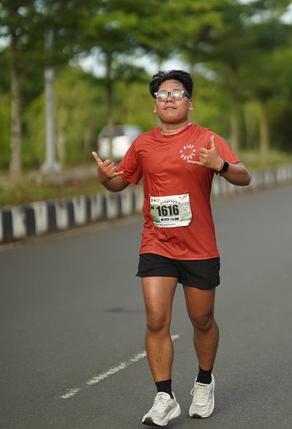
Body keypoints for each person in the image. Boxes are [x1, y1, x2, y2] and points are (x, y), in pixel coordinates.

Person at [92, 69, 251, 427]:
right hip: (157, 243)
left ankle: (204, 382)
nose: (169, 99)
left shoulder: (207, 139)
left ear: (189, 103)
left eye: (177, 93)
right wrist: (104, 179)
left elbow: (244, 176)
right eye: (162, 95)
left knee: (202, 320)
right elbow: (120, 181)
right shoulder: (143, 144)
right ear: (154, 106)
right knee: (156, 319)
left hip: (199, 247)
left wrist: (221, 165)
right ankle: (164, 397)